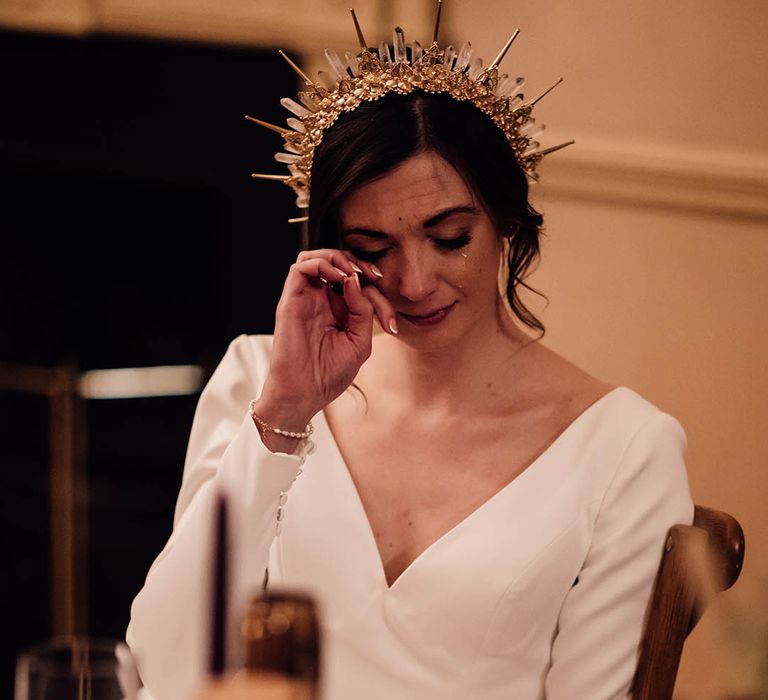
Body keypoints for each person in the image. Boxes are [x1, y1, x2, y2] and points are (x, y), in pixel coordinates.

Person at [127, 17, 693, 700]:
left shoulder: (626, 449)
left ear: (507, 220)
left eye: (449, 237)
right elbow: (165, 665)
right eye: (372, 247)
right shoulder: (260, 379)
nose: (414, 281)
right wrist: (282, 415)